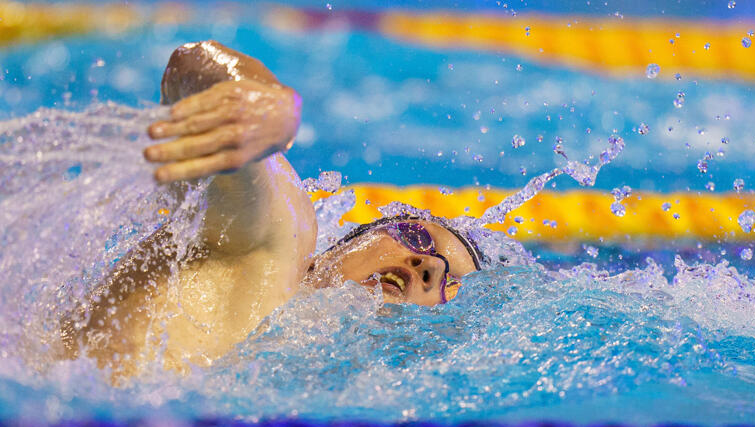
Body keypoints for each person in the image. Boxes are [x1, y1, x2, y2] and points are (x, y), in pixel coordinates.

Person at [60, 41, 482, 380]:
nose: (430, 266)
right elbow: (189, 65)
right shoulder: (277, 242)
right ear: (340, 246)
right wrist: (270, 106)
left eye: (452, 283)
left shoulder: (295, 377)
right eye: (418, 236)